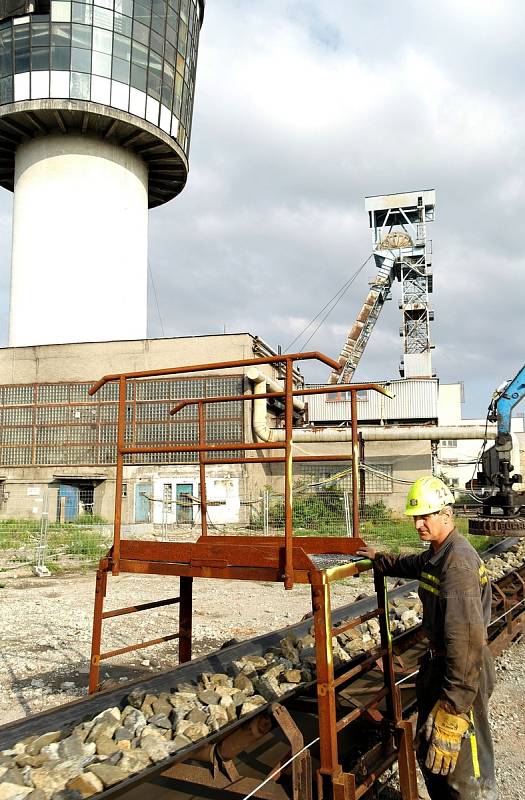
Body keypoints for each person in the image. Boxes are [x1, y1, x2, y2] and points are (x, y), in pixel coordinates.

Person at [356, 475, 497, 800]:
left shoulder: (457, 565)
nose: (419, 524)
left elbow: (468, 642)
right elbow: (414, 564)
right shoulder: (440, 553)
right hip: (445, 666)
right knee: (432, 754)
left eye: (426, 516)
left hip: (462, 672)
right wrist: (380, 559)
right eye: (415, 517)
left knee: (463, 771)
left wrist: (454, 706)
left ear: (446, 515)